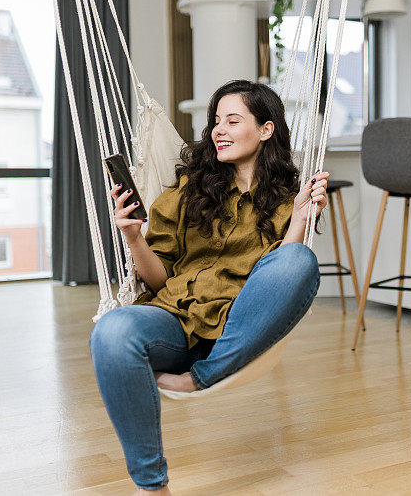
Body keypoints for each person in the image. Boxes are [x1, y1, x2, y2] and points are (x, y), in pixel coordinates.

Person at [88, 79, 330, 495]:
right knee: (111, 331)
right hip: (173, 321)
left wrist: (300, 222)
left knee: (300, 259)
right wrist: (133, 237)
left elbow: (281, 275)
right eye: (216, 121)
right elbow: (159, 277)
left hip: (236, 328)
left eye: (233, 121)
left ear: (266, 130)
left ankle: (202, 377)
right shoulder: (188, 189)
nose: (219, 129)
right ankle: (151, 487)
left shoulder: (291, 199)